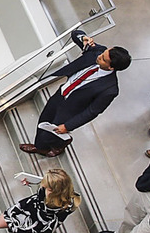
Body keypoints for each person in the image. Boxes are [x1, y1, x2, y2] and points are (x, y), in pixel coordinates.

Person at [22, 29, 130, 157]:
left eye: (103, 58)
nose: (99, 56)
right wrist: (83, 37)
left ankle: (49, 146)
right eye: (103, 53)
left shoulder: (109, 89)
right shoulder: (98, 51)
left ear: (111, 67)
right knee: (43, 121)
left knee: (51, 133)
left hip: (69, 111)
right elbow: (75, 34)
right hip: (60, 95)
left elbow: (92, 111)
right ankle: (40, 145)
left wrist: (68, 126)